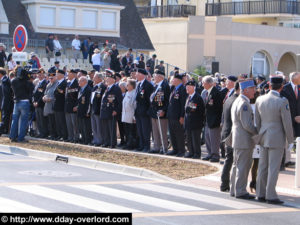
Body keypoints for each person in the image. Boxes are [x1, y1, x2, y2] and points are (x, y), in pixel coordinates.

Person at [255, 75, 294, 204]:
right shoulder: (282, 101)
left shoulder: (260, 99)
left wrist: (260, 134)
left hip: (263, 135)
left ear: (270, 86)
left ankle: (260, 193)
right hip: (276, 137)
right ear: (282, 87)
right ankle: (270, 195)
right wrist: (290, 140)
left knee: (263, 166)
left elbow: (257, 121)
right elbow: (287, 123)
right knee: (273, 168)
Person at [230, 79, 257, 199]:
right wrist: (258, 132)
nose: (255, 91)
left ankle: (234, 189)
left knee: (236, 165)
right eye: (253, 88)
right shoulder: (244, 103)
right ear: (246, 90)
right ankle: (240, 191)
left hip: (238, 138)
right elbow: (247, 124)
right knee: (243, 166)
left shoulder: (237, 100)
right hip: (244, 139)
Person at [220, 82, 240, 192]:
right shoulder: (237, 100)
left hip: (226, 131)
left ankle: (224, 183)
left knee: (229, 159)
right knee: (231, 160)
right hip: (232, 133)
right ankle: (225, 183)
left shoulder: (229, 98)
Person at [280, 71, 300, 167]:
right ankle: (286, 160)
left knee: (298, 140)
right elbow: (284, 105)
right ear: (294, 78)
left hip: (299, 118)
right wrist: (293, 117)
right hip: (289, 118)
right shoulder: (285, 89)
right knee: (287, 140)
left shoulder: (299, 87)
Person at [148, 69, 170, 154]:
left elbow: (167, 100)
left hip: (161, 112)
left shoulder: (165, 86)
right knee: (155, 131)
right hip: (154, 111)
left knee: (162, 131)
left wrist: (164, 110)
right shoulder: (155, 86)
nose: (154, 77)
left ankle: (164, 148)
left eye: (155, 75)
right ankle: (156, 147)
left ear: (160, 77)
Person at [10, 66, 34, 142]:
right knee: (24, 121)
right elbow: (30, 89)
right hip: (24, 102)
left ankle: (12, 136)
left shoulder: (13, 81)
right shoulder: (26, 82)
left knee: (15, 120)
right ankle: (21, 138)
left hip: (16, 102)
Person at [202, 75, 223, 162]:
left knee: (214, 139)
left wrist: (216, 121)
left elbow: (218, 108)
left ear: (208, 83)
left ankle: (215, 155)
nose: (202, 85)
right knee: (207, 137)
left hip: (214, 120)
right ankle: (210, 153)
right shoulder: (207, 92)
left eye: (203, 83)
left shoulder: (216, 93)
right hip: (208, 119)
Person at [100, 70, 122, 148]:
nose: (106, 79)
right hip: (105, 111)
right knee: (105, 128)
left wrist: (116, 110)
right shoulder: (107, 88)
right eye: (106, 78)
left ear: (113, 79)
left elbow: (119, 102)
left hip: (112, 111)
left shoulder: (116, 89)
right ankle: (106, 141)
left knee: (111, 128)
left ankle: (112, 143)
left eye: (108, 78)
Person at [167, 72, 187, 157]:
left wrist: (182, 116)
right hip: (171, 115)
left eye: (173, 79)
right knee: (172, 134)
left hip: (178, 116)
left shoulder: (182, 89)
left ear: (177, 80)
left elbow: (183, 105)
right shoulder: (173, 88)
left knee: (179, 134)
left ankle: (181, 150)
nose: (171, 81)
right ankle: (175, 149)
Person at [184, 80, 205, 159]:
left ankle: (197, 153)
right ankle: (191, 152)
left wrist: (188, 109)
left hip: (196, 122)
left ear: (193, 87)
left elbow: (192, 109)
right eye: (186, 87)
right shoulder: (188, 97)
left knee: (195, 139)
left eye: (189, 87)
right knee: (189, 138)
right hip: (189, 122)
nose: (187, 89)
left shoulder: (197, 97)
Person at [135, 68, 154, 152]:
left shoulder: (148, 85)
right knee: (140, 130)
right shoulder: (138, 84)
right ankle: (141, 145)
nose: (136, 75)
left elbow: (149, 100)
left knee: (145, 130)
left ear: (142, 75)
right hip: (138, 111)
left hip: (145, 112)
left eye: (137, 74)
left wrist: (148, 111)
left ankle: (147, 146)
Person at [90, 72, 106, 146]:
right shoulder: (95, 87)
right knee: (94, 126)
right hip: (93, 109)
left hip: (98, 110)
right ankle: (95, 139)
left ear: (99, 78)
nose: (93, 78)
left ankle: (100, 140)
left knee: (99, 127)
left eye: (95, 77)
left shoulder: (102, 87)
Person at [32, 69, 48, 138]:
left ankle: (44, 133)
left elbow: (42, 94)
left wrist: (37, 102)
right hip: (36, 104)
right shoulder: (37, 83)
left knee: (42, 120)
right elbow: (33, 94)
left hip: (41, 104)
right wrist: (33, 101)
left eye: (41, 74)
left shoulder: (45, 83)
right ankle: (40, 132)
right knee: (38, 120)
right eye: (38, 74)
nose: (40, 76)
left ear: (44, 75)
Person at [76, 76, 92, 145]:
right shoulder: (81, 89)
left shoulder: (88, 89)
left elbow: (88, 102)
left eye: (80, 81)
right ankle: (83, 139)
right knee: (81, 126)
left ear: (85, 81)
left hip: (85, 111)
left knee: (86, 127)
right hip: (80, 110)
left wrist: (88, 111)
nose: (78, 82)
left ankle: (87, 140)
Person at [122, 79, 137, 150]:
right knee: (126, 131)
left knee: (131, 131)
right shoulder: (127, 93)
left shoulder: (134, 93)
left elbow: (134, 106)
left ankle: (131, 145)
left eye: (128, 85)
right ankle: (127, 143)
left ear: (132, 86)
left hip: (131, 115)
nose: (126, 86)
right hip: (125, 115)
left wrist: (134, 117)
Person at [65, 69, 79, 143]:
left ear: (73, 74)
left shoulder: (76, 83)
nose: (67, 75)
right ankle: (70, 137)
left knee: (74, 124)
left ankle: (76, 137)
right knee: (69, 123)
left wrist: (76, 106)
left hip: (73, 106)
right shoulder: (68, 83)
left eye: (69, 73)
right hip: (67, 106)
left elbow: (77, 96)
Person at [53, 69, 68, 141]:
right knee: (57, 122)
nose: (56, 75)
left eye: (57, 74)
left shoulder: (64, 83)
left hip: (61, 105)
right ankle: (59, 135)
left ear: (62, 75)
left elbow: (61, 94)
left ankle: (64, 135)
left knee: (62, 122)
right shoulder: (58, 83)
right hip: (56, 105)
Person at [42, 71, 57, 140]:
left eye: (52, 78)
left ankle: (54, 135)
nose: (51, 79)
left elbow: (57, 96)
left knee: (54, 121)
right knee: (49, 121)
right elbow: (45, 93)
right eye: (50, 78)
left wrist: (50, 99)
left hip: (53, 105)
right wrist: (44, 97)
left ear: (55, 77)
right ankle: (51, 134)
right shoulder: (48, 85)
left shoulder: (57, 84)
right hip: (48, 105)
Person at [0, 68, 13, 135]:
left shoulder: (4, 80)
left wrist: (4, 104)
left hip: (6, 103)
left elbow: (6, 94)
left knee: (5, 117)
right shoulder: (4, 80)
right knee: (4, 117)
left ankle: (3, 130)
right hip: (5, 102)